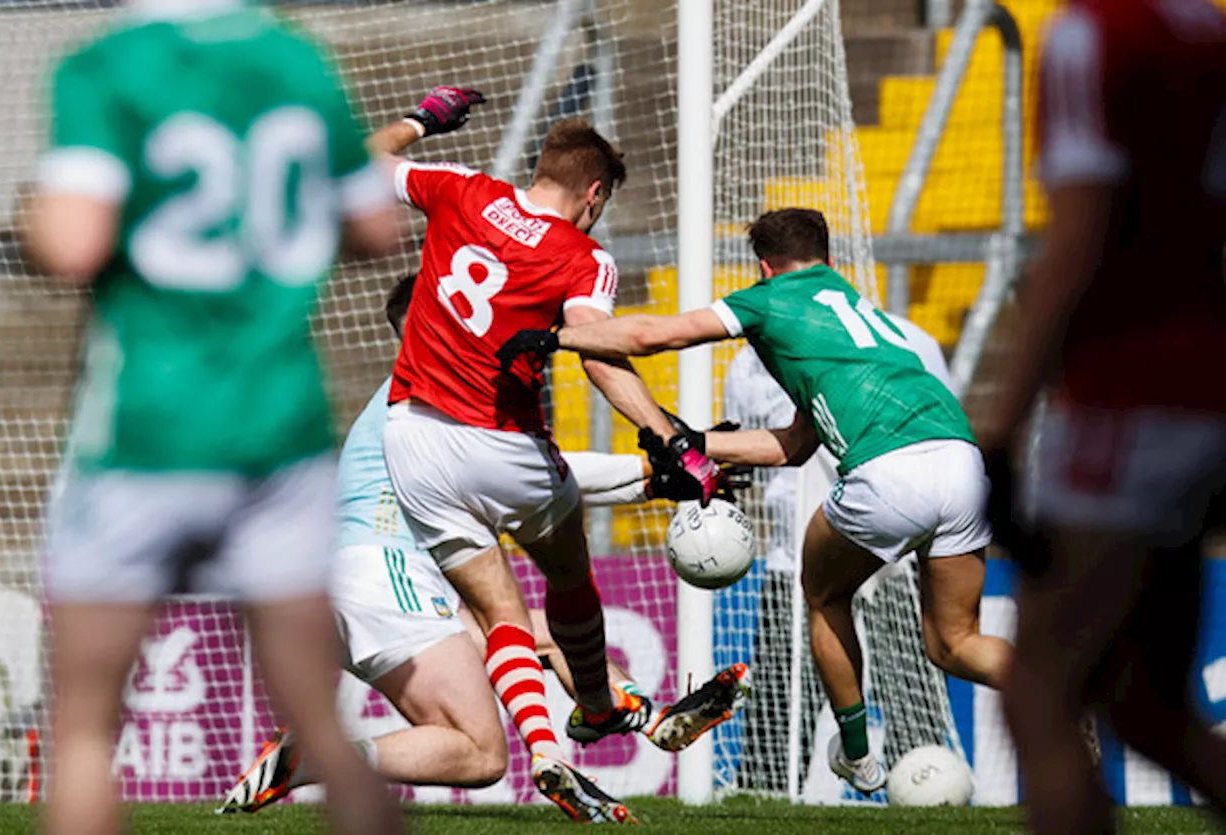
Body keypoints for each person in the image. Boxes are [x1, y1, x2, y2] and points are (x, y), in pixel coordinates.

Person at [23, 2, 408, 834]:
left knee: (86, 733)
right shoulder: (297, 60)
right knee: (325, 731)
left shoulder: (106, 64)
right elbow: (379, 226)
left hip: (143, 434)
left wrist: (35, 214)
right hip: (282, 432)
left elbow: (72, 244)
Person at [499, 207, 1010, 794]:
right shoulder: (864, 315)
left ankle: (860, 757)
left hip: (888, 474)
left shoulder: (769, 300)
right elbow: (793, 446)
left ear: (764, 268)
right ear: (830, 258)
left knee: (821, 592)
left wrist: (554, 337)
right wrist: (693, 442)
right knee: (955, 643)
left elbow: (651, 336)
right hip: (961, 461)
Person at [217, 274, 750, 815]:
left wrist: (652, 480)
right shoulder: (433, 396)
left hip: (355, 579)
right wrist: (653, 477)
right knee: (480, 753)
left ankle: (649, 720)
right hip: (384, 577)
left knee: (544, 634)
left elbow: (545, 475)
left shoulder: (414, 394)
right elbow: (547, 477)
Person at [360, 92, 724, 823]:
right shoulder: (584, 257)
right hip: (500, 440)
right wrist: (666, 433)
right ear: (593, 193)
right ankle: (593, 706)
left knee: (498, 611)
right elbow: (598, 352)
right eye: (602, 201)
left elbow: (365, 164)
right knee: (566, 571)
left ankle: (547, 757)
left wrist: (425, 118)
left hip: (411, 434)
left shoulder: (463, 188)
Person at [980, 1, 1226, 831]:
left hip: (1132, 391)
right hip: (1206, 385)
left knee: (1038, 690)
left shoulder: (1096, 32)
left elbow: (1082, 232)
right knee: (1147, 706)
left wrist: (1006, 426)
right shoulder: (1213, 36)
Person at [728, 315, 954, 793]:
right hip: (798, 558)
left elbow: (943, 436)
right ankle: (764, 797)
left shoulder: (910, 338)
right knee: (777, 716)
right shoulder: (747, 363)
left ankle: (929, 793)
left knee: (916, 705)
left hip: (897, 556)